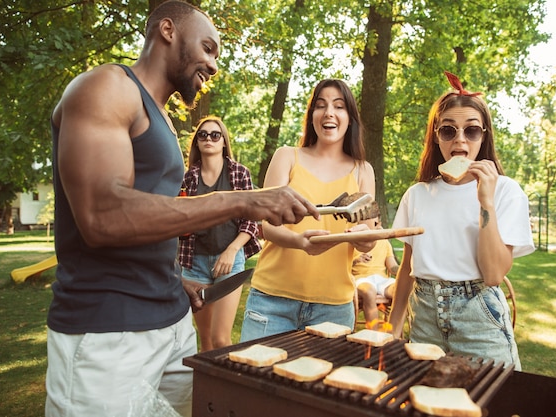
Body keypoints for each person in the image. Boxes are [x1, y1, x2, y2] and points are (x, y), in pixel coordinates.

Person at [46, 1, 318, 416]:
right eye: (207, 48)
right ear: (168, 30)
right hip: (107, 332)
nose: (212, 65)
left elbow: (152, 214)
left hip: (173, 322)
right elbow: (102, 217)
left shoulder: (164, 121)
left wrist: (173, 277)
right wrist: (244, 199)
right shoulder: (106, 87)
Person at [388, 71, 535, 370]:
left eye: (471, 131)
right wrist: (393, 326)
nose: (460, 140)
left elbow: (494, 274)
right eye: (448, 130)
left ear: (484, 136)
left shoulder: (506, 191)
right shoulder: (417, 194)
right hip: (424, 318)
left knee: (491, 404)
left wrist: (486, 202)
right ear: (436, 136)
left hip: (479, 316)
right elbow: (408, 267)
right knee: (426, 403)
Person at [239, 79, 376, 342]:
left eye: (339, 106)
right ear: (312, 115)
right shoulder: (287, 156)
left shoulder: (363, 170)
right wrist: (298, 241)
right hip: (272, 301)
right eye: (320, 105)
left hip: (333, 308)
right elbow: (265, 225)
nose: (329, 113)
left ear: (350, 118)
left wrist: (364, 237)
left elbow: (368, 237)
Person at [178, 116, 261, 351]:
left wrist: (232, 251)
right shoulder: (187, 178)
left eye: (215, 135)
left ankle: (228, 387)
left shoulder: (239, 173)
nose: (209, 139)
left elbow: (252, 219)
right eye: (202, 135)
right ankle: (207, 388)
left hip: (230, 260)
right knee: (205, 341)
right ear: (196, 143)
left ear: (224, 142)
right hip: (195, 264)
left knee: (221, 340)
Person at [352, 219, 399, 323]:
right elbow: (344, 266)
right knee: (369, 292)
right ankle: (374, 334)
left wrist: (405, 270)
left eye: (373, 223)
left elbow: (392, 266)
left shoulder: (384, 242)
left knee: (400, 290)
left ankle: (394, 333)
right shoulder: (352, 241)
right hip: (360, 279)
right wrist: (357, 260)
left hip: (381, 280)